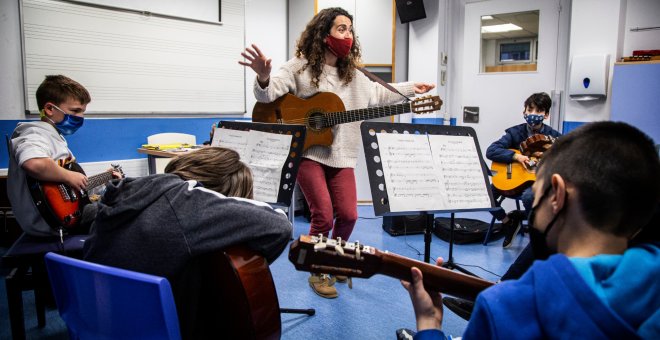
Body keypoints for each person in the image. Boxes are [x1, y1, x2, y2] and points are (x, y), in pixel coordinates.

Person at [239, 7, 435, 299]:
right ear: (323, 33)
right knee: (324, 215)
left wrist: (412, 89)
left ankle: (335, 258)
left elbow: (380, 94)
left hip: (342, 153)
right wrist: (264, 77)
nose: (348, 35)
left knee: (349, 214)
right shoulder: (299, 67)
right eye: (341, 29)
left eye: (350, 30)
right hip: (308, 152)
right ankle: (318, 268)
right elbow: (268, 95)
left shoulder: (354, 74)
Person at [402, 121, 660, 339]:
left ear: (557, 194)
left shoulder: (503, 309)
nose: (534, 205)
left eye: (537, 193)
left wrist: (429, 323)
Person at [83, 147, 293, 339]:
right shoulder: (190, 201)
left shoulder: (131, 190)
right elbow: (279, 225)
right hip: (158, 329)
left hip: (98, 318)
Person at [7, 75, 93, 237]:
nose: (80, 117)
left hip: (59, 218)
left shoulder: (53, 137)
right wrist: (68, 176)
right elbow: (33, 163)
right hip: (49, 224)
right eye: (75, 111)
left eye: (83, 111)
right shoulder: (33, 133)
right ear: (49, 109)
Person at [486, 92, 562, 248]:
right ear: (524, 112)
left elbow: (565, 159)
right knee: (486, 195)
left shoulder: (554, 137)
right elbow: (491, 151)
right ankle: (509, 222)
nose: (533, 114)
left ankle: (532, 231)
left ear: (546, 115)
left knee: (529, 197)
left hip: (535, 181)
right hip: (512, 180)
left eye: (539, 111)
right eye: (530, 109)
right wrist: (516, 157)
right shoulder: (515, 133)